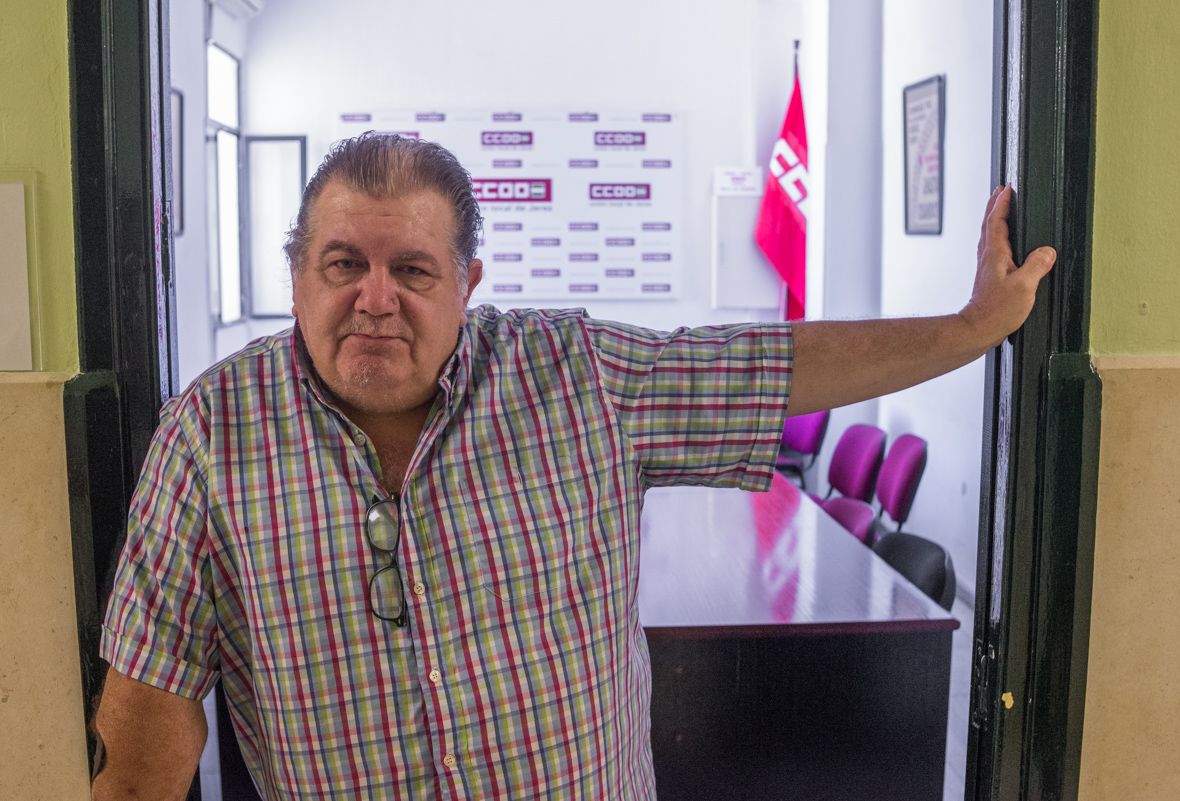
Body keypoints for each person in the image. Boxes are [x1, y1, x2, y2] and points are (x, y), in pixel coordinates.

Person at [90, 133, 1054, 801]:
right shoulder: (209, 433)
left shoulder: (576, 375)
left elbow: (773, 366)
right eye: (343, 264)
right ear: (298, 274)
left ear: (467, 284)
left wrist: (971, 329)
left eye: (413, 270)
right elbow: (144, 731)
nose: (375, 298)